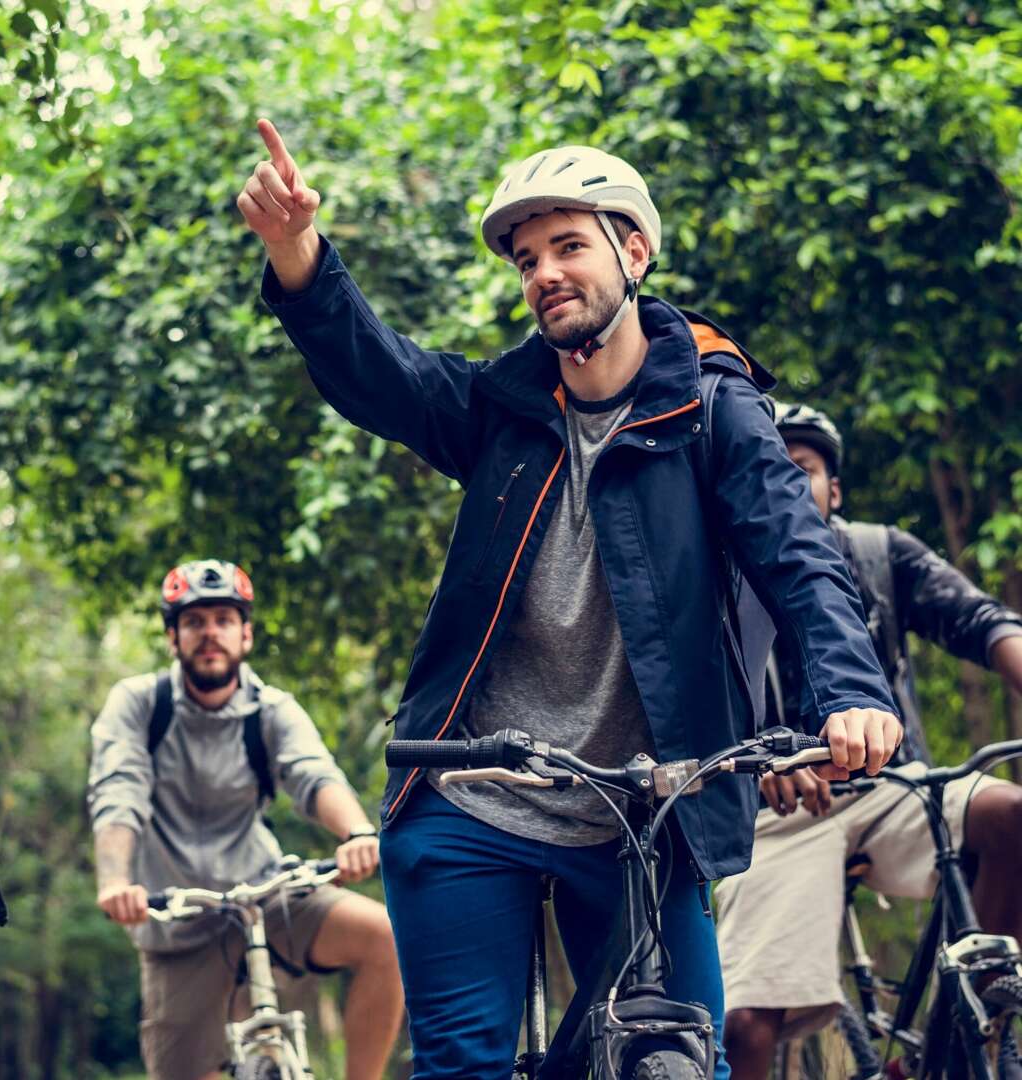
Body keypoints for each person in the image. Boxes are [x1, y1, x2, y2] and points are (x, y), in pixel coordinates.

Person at [237, 119, 903, 1078]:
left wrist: (850, 692)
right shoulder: (502, 409)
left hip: (646, 807)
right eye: (527, 259)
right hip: (471, 793)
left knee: (679, 1054)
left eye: (569, 246)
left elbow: (796, 558)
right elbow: (389, 377)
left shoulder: (715, 410)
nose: (544, 272)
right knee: (463, 1064)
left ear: (632, 252)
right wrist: (300, 257)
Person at [715, 402, 1022, 1079]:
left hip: (896, 788)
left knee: (1012, 817)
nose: (787, 483)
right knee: (743, 1024)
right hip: (780, 814)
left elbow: (982, 621)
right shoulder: (719, 574)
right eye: (770, 469)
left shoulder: (880, 552)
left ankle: (961, 1035)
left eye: (803, 469)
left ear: (835, 489)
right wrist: (754, 764)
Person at [87, 559, 402, 1080]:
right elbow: (119, 794)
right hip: (176, 919)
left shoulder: (271, 709)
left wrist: (357, 834)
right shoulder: (139, 704)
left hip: (266, 897)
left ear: (246, 635)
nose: (210, 633)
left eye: (224, 620)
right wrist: (116, 881)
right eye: (194, 621)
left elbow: (313, 775)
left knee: (385, 937)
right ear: (173, 637)